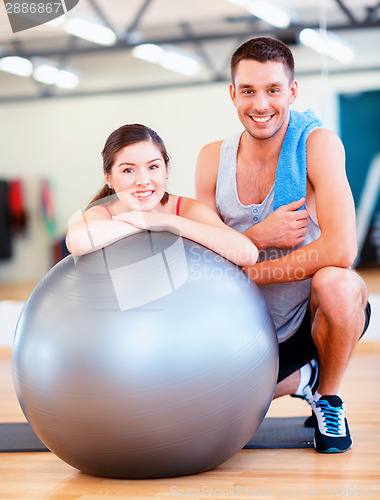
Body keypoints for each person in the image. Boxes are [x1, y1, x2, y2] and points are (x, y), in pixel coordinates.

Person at [195, 37, 371, 454]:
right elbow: (203, 252)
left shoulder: (318, 145)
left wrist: (248, 270)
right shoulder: (210, 159)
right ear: (232, 94)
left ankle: (327, 396)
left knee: (339, 283)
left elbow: (342, 250)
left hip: (304, 320)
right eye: (249, 90)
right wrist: (258, 238)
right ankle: (304, 379)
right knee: (202, 411)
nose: (261, 104)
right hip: (242, 328)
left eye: (273, 89)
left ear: (291, 92)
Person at [66, 123, 258, 272]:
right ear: (108, 177)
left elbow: (247, 254)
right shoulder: (102, 212)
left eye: (153, 167)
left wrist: (165, 221)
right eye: (128, 170)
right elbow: (77, 241)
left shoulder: (185, 209)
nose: (143, 181)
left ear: (166, 170)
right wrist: (143, 221)